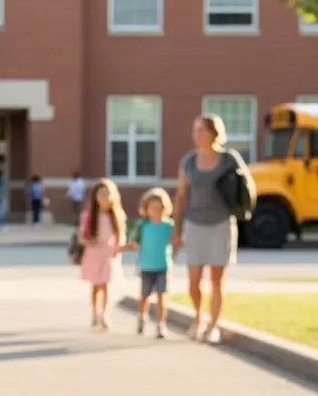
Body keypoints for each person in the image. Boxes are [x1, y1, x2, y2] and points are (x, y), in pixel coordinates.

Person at [173, 114, 252, 344]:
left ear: (213, 133)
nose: (196, 134)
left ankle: (213, 325)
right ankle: (197, 318)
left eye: (201, 130)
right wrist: (176, 230)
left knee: (217, 279)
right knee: (193, 280)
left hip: (221, 224)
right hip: (195, 224)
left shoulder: (229, 159)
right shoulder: (188, 161)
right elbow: (181, 196)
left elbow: (246, 187)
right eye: (194, 130)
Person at [79, 177, 128, 330]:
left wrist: (118, 247)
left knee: (106, 285)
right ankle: (95, 312)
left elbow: (121, 236)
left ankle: (105, 314)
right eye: (100, 194)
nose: (104, 197)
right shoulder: (89, 216)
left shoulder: (117, 215)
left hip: (109, 254)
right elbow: (81, 236)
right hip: (94, 254)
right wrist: (89, 242)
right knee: (96, 286)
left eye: (107, 194)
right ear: (95, 196)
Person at [129, 187, 175, 339]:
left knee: (162, 295)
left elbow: (176, 241)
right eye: (152, 207)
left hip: (162, 265)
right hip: (146, 265)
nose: (156, 210)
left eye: (159, 207)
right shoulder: (142, 225)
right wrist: (131, 244)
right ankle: (142, 316)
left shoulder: (168, 226)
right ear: (146, 208)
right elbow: (133, 241)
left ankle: (161, 324)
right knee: (144, 295)